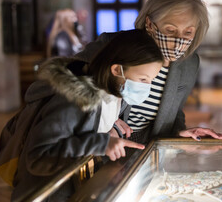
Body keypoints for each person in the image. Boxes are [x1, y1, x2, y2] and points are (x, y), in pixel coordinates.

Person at [11, 29, 164, 201]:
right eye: (143, 80)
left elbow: (87, 127)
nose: (147, 87)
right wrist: (101, 143)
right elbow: (38, 157)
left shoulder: (113, 94)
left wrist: (111, 129)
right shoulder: (73, 99)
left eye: (151, 80)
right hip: (46, 194)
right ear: (116, 69)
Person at [76, 0, 222, 144]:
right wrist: (100, 118)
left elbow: (175, 114)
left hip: (145, 152)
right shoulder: (112, 44)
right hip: (99, 148)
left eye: (188, 32)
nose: (179, 41)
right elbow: (67, 79)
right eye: (171, 30)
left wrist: (181, 134)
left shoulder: (189, 64)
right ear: (150, 24)